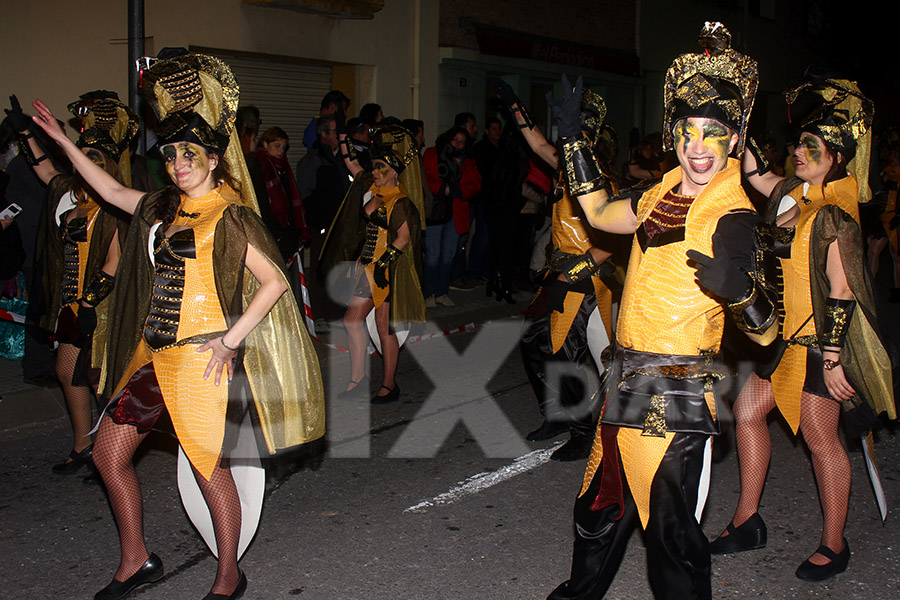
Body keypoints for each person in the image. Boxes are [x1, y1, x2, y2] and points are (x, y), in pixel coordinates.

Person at [30, 52, 325, 600]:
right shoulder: (166, 208)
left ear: (214, 159)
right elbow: (115, 193)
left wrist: (230, 340)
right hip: (153, 358)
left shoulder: (230, 215)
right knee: (107, 455)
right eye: (170, 155)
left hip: (200, 362)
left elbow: (275, 281)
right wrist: (64, 144)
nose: (178, 163)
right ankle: (137, 560)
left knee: (210, 469)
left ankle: (228, 573)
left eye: (189, 154)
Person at [547, 23, 777, 600]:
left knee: (670, 533)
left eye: (713, 134)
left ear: (736, 140)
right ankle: (580, 593)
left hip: (673, 396)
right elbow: (599, 212)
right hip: (626, 378)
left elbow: (769, 330)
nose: (697, 147)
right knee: (600, 503)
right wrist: (573, 140)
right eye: (687, 132)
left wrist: (742, 294)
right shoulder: (659, 193)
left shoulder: (735, 216)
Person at [710, 74, 895, 581]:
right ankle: (748, 520)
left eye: (812, 147)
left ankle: (835, 544)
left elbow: (842, 289)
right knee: (747, 412)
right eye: (799, 144)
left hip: (816, 343)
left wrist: (833, 359)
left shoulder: (836, 214)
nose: (799, 152)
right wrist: (735, 126)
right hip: (782, 341)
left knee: (819, 436)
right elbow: (756, 175)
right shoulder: (794, 195)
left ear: (836, 157)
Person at [7, 92, 138, 476]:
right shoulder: (71, 194)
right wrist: (27, 134)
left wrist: (87, 305)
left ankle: (110, 453)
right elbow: (45, 170)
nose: (87, 164)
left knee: (101, 379)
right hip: (70, 304)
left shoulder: (115, 206)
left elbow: (115, 263)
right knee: (68, 374)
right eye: (84, 157)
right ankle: (84, 444)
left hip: (101, 306)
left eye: (95, 159)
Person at [490, 78, 619, 462]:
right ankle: (558, 416)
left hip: (584, 282)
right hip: (559, 278)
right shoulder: (566, 170)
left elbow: (612, 243)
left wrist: (572, 273)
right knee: (535, 343)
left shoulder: (601, 182)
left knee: (568, 355)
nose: (564, 145)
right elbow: (537, 143)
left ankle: (583, 432)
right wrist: (515, 107)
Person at [323, 123, 425, 402]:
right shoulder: (374, 191)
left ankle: (389, 384)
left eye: (380, 167)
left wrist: (382, 265)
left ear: (393, 172)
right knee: (352, 320)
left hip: (388, 272)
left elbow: (403, 238)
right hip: (368, 268)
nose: (374, 172)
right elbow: (353, 165)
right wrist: (344, 137)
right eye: (374, 167)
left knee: (384, 327)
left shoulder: (401, 202)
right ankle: (358, 378)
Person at [296, 115, 351, 325]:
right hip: (322, 225)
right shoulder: (312, 161)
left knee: (339, 271)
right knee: (320, 270)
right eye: (336, 133)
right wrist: (321, 222)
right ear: (324, 134)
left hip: (341, 225)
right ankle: (318, 314)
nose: (340, 137)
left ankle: (336, 313)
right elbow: (306, 195)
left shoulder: (342, 159)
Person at [422, 126, 482, 307]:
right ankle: (428, 294)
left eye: (462, 141)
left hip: (457, 211)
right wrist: (442, 188)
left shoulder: (469, 161)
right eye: (455, 140)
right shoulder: (433, 153)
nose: (457, 144)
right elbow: (426, 178)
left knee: (448, 255)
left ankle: (442, 292)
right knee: (432, 255)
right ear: (447, 139)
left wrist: (457, 191)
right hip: (436, 211)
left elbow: (476, 184)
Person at [248, 126, 310, 262]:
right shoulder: (261, 166)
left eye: (284, 146)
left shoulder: (283, 167)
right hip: (273, 227)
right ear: (265, 144)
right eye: (277, 145)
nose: (281, 150)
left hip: (287, 226)